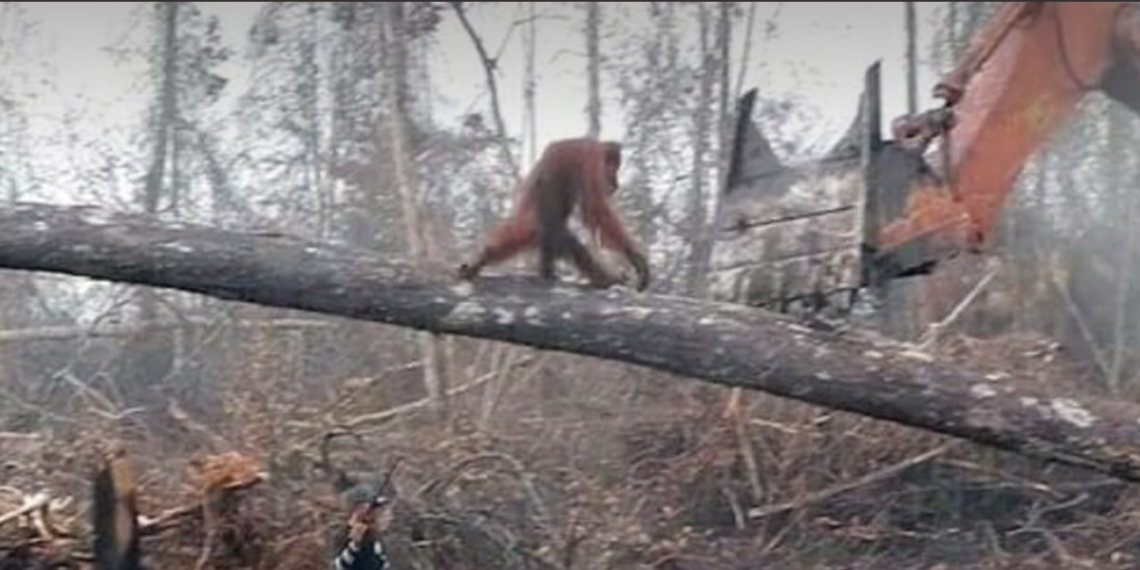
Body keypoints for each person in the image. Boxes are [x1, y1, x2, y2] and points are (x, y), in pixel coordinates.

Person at [330, 485, 392, 570]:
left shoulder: (375, 537)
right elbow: (338, 567)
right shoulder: (341, 534)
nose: (377, 513)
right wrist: (354, 545)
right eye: (372, 508)